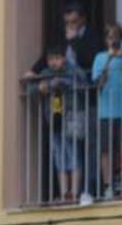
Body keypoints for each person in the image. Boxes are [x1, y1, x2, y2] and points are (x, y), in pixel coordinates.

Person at [34, 45, 87, 204]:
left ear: (64, 58)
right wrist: (39, 87)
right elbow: (32, 87)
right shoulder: (45, 74)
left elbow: (82, 80)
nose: (53, 62)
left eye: (57, 58)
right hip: (54, 119)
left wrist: (59, 82)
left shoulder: (71, 70)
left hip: (70, 118)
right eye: (50, 59)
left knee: (73, 155)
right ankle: (65, 194)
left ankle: (75, 192)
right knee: (59, 158)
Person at [92, 22, 122, 199]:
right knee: (105, 150)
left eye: (116, 37)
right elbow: (97, 83)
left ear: (121, 38)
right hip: (105, 111)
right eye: (110, 37)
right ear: (106, 40)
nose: (113, 40)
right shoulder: (100, 58)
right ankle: (107, 186)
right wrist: (109, 60)